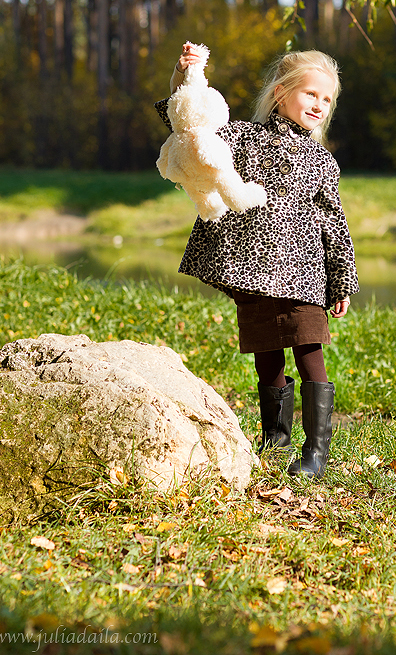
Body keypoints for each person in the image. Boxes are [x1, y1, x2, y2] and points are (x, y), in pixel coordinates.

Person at [154, 42, 359, 479]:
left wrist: (342, 280)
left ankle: (316, 452)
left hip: (304, 274)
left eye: (327, 99)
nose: (319, 104)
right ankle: (275, 441)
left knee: (309, 349)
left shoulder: (323, 162)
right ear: (281, 93)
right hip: (254, 270)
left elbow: (333, 222)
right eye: (310, 94)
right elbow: (187, 123)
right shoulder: (244, 137)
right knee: (267, 352)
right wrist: (183, 75)